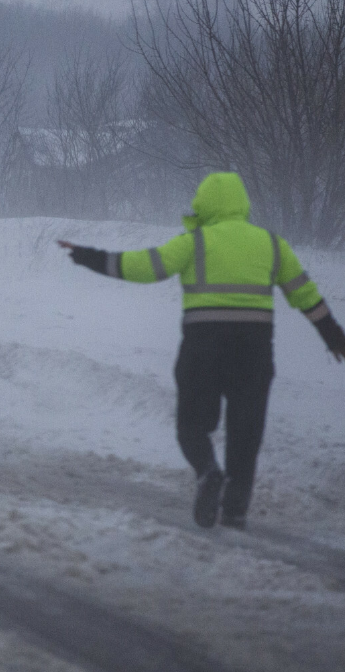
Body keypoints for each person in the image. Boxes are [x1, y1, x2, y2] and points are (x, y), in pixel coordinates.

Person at [57, 172, 345, 530]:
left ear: (204, 204)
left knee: (191, 425)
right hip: (254, 352)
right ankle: (235, 512)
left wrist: (87, 256)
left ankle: (208, 471)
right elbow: (306, 294)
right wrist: (332, 335)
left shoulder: (194, 242)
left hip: (203, 348)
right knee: (245, 432)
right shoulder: (272, 245)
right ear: (242, 203)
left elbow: (142, 267)